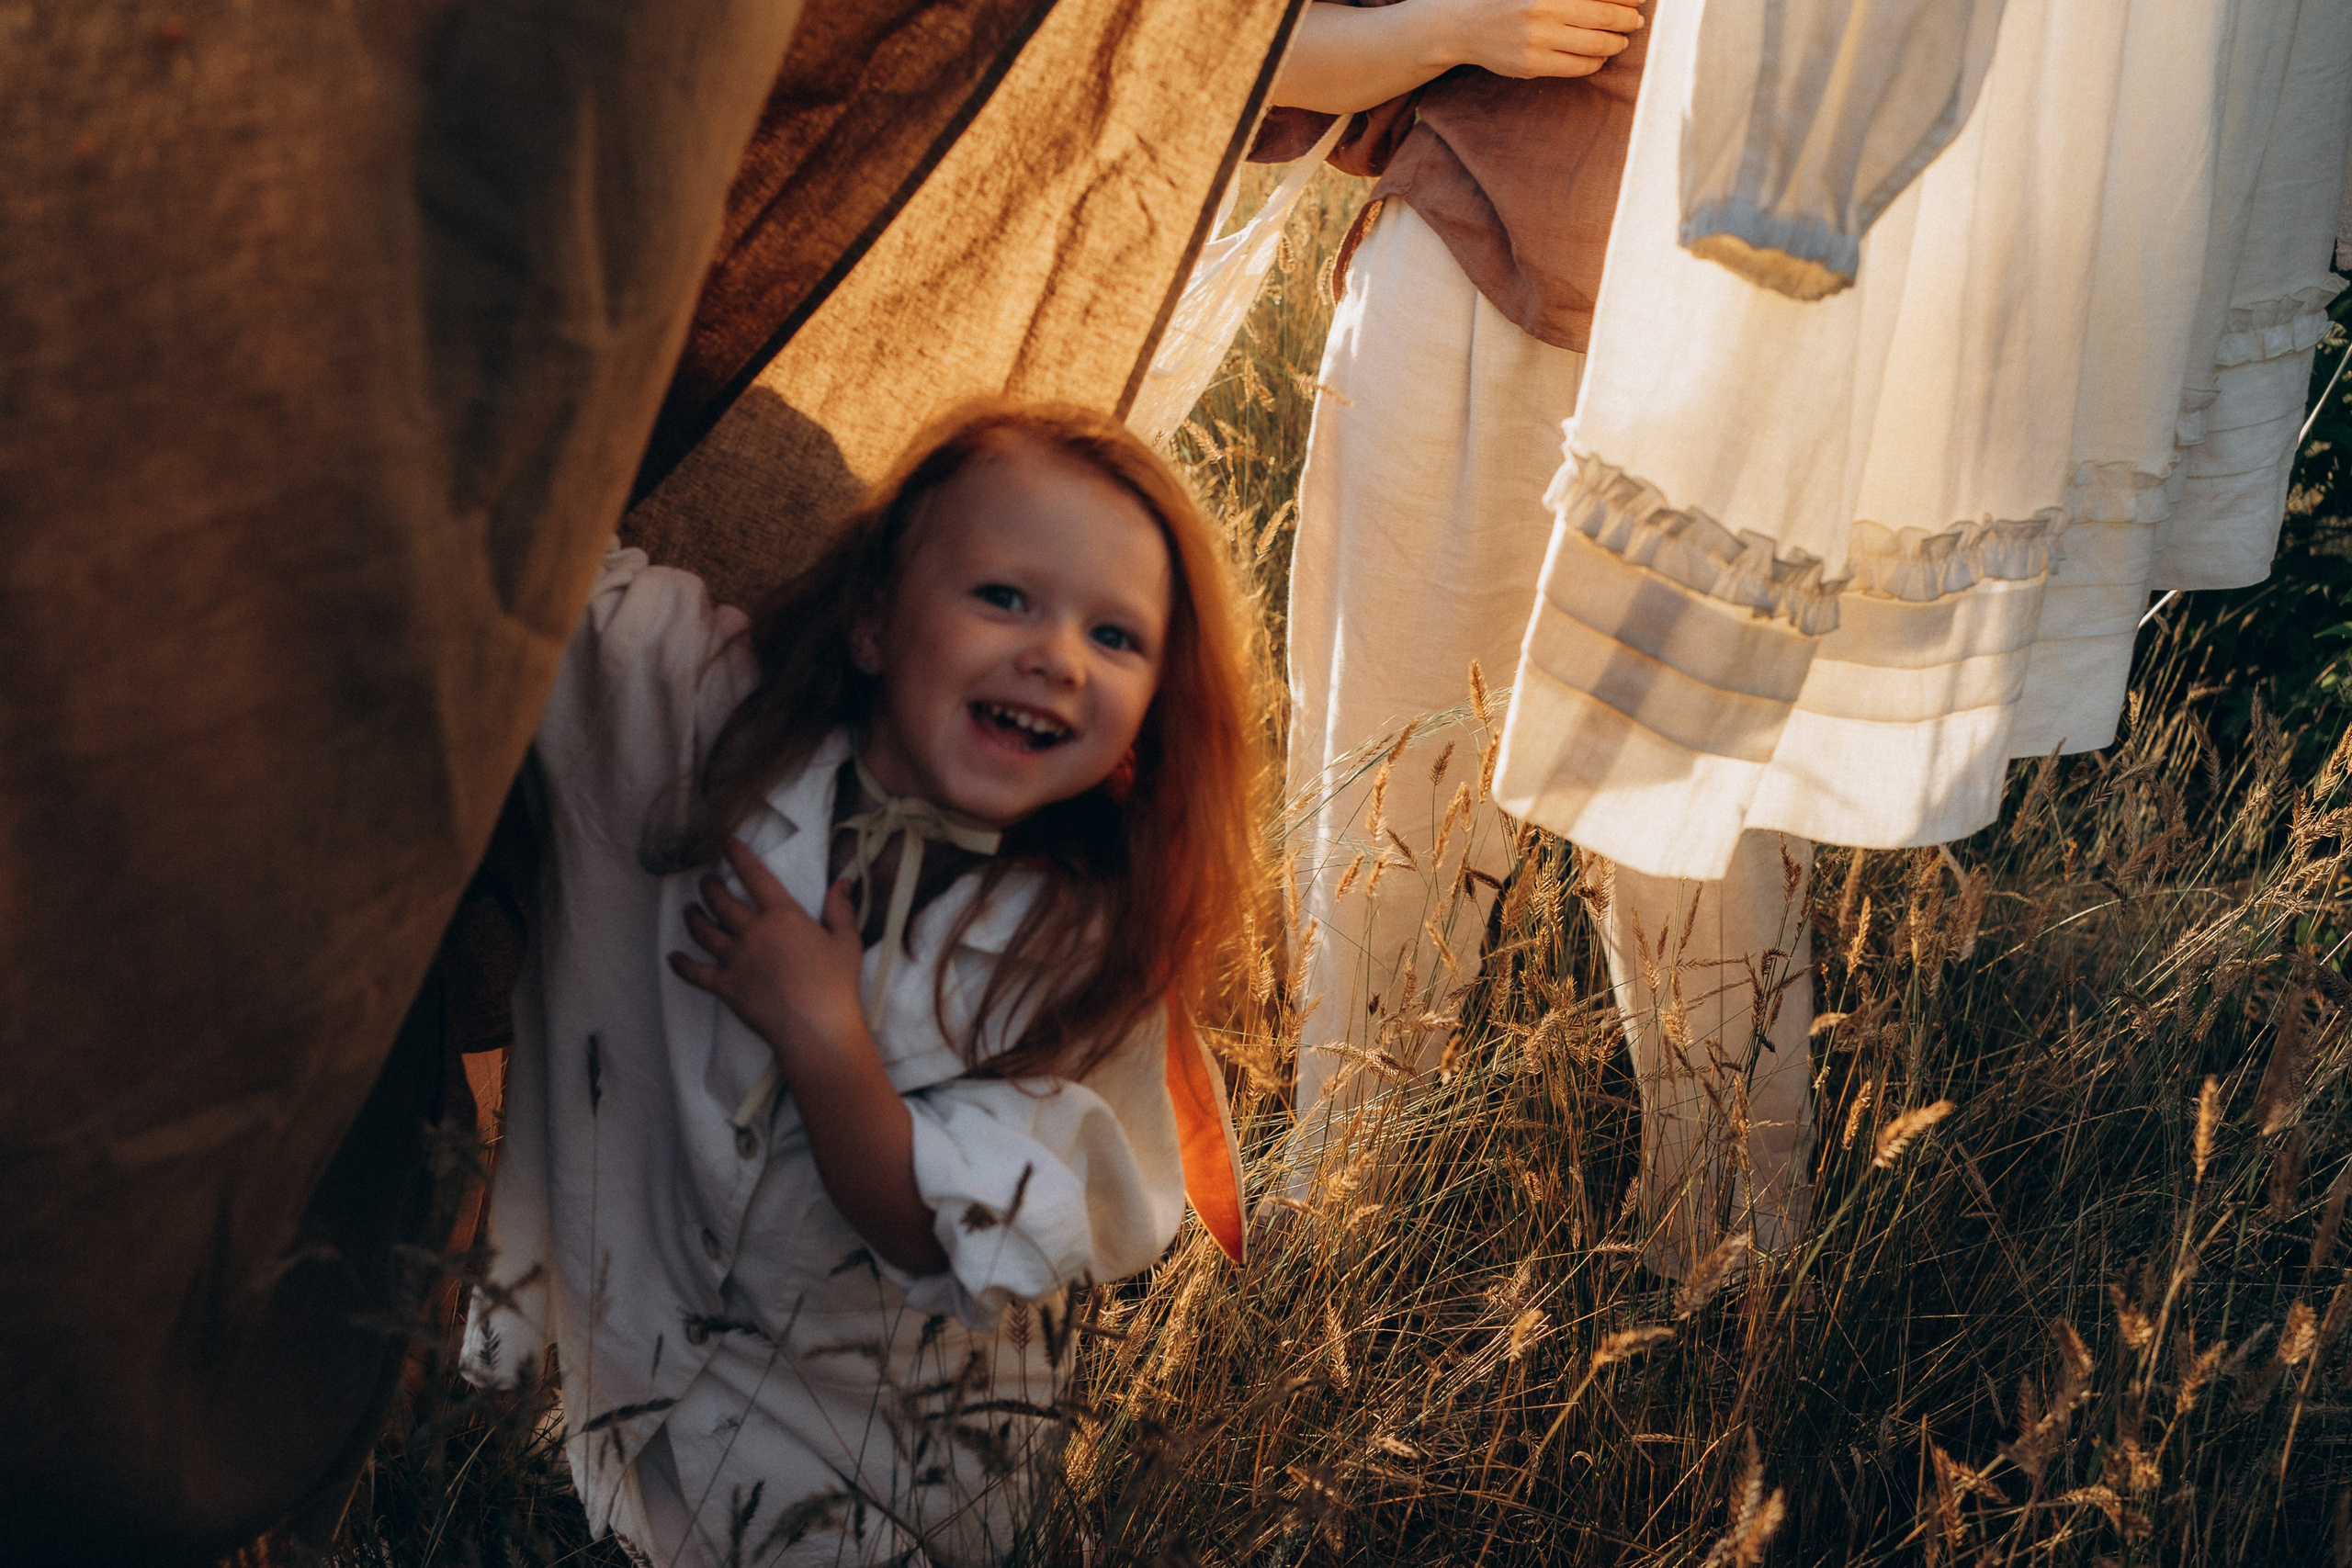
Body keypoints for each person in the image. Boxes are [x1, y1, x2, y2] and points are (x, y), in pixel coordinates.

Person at [464, 401, 1260, 1566]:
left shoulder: (1087, 958)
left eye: (1117, 637)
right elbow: (538, 560)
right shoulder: (693, 712)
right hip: (625, 1391)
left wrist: (821, 1031)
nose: (1057, 653)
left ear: (1147, 716)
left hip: (879, 1483)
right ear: (875, 620)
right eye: (1005, 597)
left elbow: (930, 1229)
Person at [1262, 0, 1815, 1278]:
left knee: (1712, 837)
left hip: (1741, 318)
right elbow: (1244, 48)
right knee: (1396, 801)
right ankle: (1329, 1242)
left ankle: (1731, 1273)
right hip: (1464, 284)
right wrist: (1466, 23)